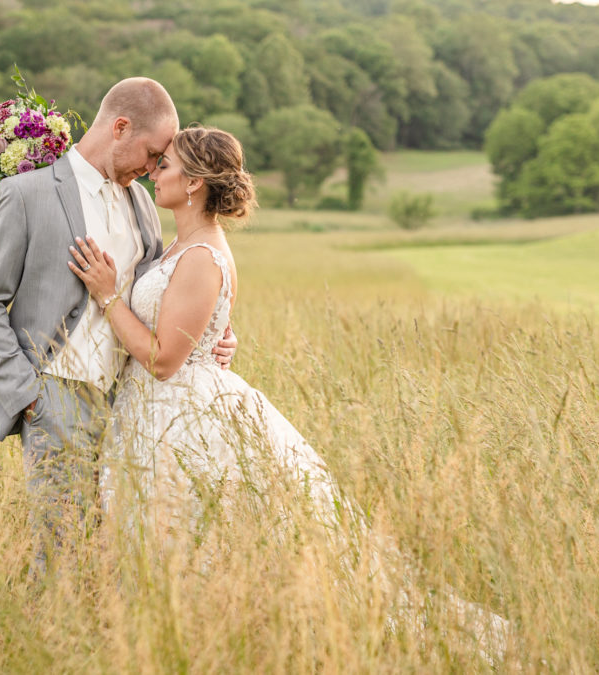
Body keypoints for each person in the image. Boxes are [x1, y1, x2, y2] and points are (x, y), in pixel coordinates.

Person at [67, 126, 511, 663]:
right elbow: (191, 331)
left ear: (196, 183)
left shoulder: (204, 256)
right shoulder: (180, 245)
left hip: (181, 413)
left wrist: (108, 294)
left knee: (193, 535)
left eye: (167, 165)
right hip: (154, 412)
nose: (156, 171)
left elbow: (163, 360)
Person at [0, 79, 237, 576]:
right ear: (119, 128)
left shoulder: (144, 206)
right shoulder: (26, 194)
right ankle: (47, 645)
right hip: (56, 397)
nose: (154, 168)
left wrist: (212, 335)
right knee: (60, 549)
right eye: (153, 153)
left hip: (132, 407)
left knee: (113, 553)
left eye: (162, 162)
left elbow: (167, 293)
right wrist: (28, 396)